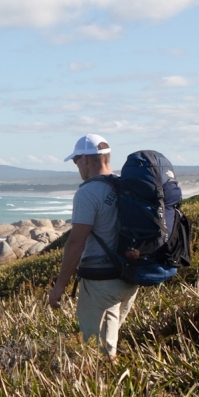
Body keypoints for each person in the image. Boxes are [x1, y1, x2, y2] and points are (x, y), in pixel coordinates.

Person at [49, 134, 139, 359]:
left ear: (85, 160)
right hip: (130, 276)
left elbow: (76, 242)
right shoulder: (124, 185)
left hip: (101, 282)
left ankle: (104, 390)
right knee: (109, 345)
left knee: (95, 352)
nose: (76, 166)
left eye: (75, 160)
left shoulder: (88, 192)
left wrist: (59, 287)